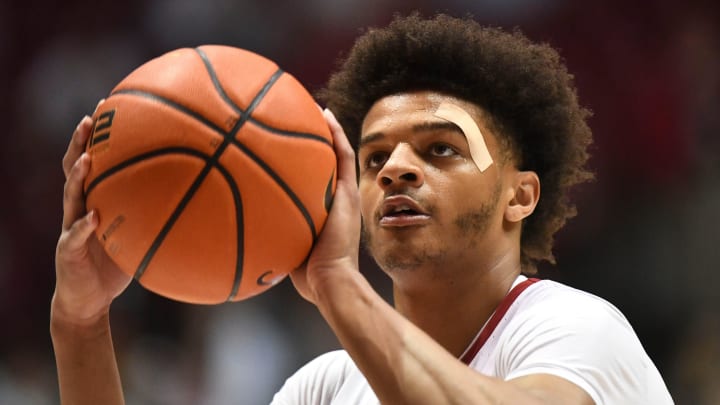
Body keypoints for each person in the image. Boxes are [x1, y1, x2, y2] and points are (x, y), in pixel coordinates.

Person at [51, 13, 673, 405]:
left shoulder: (572, 329)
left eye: (441, 149)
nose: (397, 169)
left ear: (520, 195)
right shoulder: (324, 388)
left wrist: (335, 286)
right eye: (373, 159)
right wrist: (81, 324)